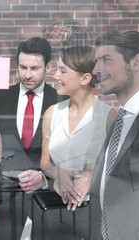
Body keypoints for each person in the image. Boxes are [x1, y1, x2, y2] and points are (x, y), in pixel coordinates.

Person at [0, 37, 64, 240]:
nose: (27, 75)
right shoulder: (1, 98)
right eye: (22, 67)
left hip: (48, 189)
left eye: (34, 68)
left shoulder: (61, 100)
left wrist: (48, 178)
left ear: (48, 67)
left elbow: (68, 148)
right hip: (8, 189)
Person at [40, 46, 116, 213]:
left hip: (97, 209)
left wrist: (90, 175)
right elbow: (45, 163)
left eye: (63, 71)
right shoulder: (52, 113)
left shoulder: (109, 117)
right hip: (57, 210)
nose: (55, 76)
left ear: (85, 78)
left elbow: (119, 167)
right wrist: (59, 173)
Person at [89, 30, 139, 239]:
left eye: (106, 60)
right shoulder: (120, 120)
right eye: (96, 61)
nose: (96, 69)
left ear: (136, 62)